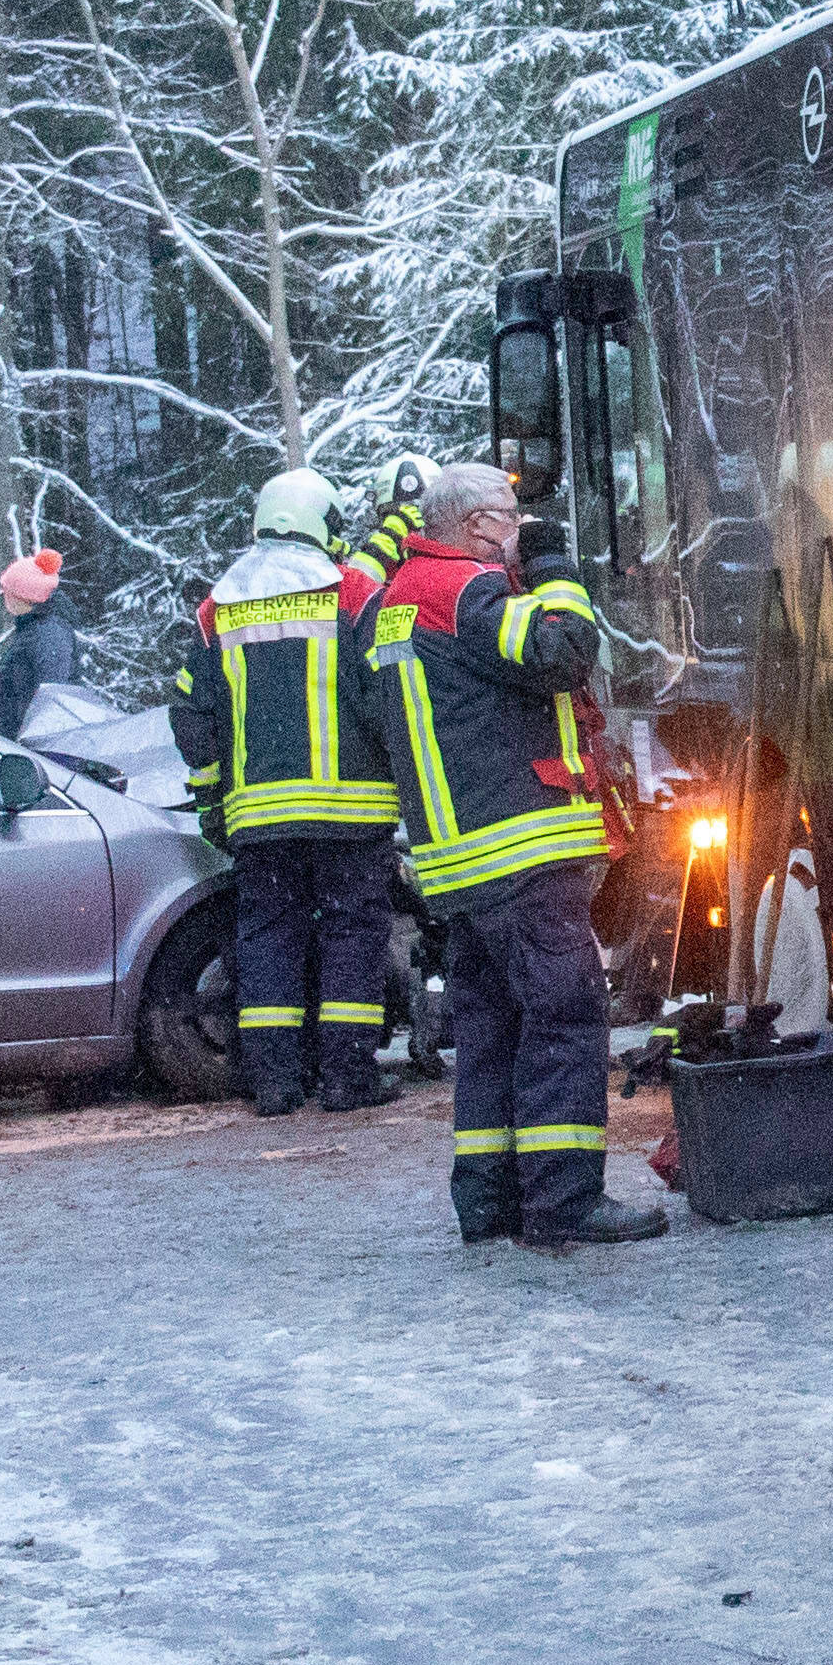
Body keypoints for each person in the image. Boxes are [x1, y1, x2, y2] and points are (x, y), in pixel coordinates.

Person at [366, 459, 665, 1247]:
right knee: (565, 1019)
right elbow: (562, 651)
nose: (517, 529)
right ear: (472, 528)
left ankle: (491, 1202)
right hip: (520, 852)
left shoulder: (391, 608)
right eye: (507, 516)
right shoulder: (466, 593)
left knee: (492, 1032)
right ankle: (564, 1203)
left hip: (458, 862)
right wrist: (558, 572)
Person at [169, 472, 398, 1113]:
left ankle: (272, 1084)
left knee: (268, 935)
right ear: (325, 524)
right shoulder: (354, 594)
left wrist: (211, 796)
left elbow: (190, 706)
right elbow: (388, 688)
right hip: (352, 812)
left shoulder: (221, 606)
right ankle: (348, 1080)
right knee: (352, 934)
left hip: (259, 819)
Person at [0, 547, 93, 746]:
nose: (5, 597)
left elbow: (52, 698)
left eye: (9, 592)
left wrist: (29, 742)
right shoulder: (33, 629)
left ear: (25, 598)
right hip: (24, 743)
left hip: (38, 749)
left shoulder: (48, 634)